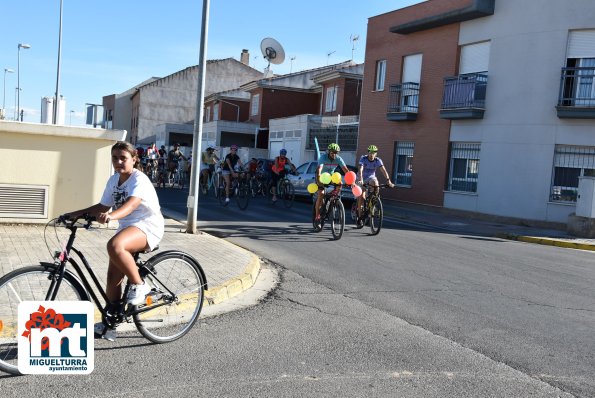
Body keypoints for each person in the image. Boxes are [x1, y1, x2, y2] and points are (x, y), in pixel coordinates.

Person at [63, 141, 165, 340]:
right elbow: (102, 206)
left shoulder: (139, 180)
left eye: (123, 158)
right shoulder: (113, 180)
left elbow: (131, 205)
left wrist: (112, 216)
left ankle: (140, 285)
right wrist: (71, 214)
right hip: (128, 228)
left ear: (134, 160)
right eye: (114, 158)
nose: (118, 162)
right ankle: (111, 323)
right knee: (112, 279)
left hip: (148, 227)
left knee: (115, 245)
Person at [356, 144, 394, 226]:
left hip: (371, 178)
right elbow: (361, 169)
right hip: (361, 178)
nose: (372, 154)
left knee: (376, 184)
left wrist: (388, 180)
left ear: (376, 153)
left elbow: (383, 170)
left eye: (374, 152)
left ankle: (373, 202)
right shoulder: (363, 159)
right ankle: (359, 217)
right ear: (368, 152)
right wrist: (361, 179)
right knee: (361, 197)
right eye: (370, 152)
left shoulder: (377, 160)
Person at [314, 143, 350, 224]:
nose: (334, 154)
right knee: (321, 194)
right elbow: (319, 170)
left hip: (330, 177)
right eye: (332, 152)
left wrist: (351, 181)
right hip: (321, 176)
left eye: (336, 152)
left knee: (340, 183)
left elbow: (346, 171)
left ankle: (333, 198)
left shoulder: (338, 159)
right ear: (328, 152)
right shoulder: (323, 158)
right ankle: (317, 216)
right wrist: (319, 181)